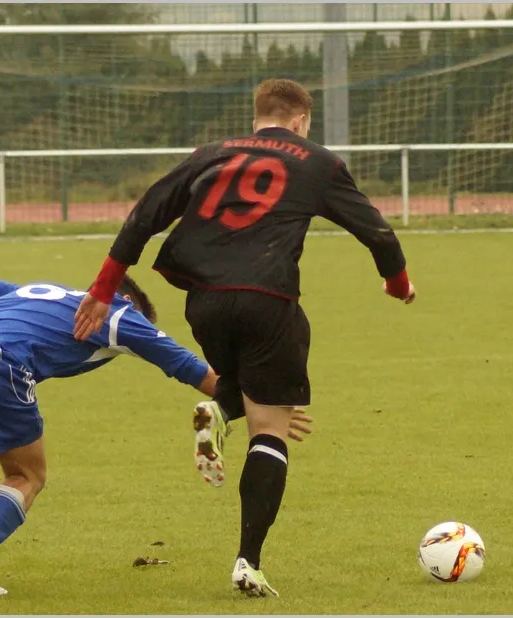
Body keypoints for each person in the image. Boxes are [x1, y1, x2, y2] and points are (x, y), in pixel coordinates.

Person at [73, 77, 416, 596]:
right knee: (271, 428)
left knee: (252, 377)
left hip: (203, 301)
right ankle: (247, 562)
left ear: (257, 117)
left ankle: (221, 408)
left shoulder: (209, 154)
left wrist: (103, 290)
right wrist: (398, 283)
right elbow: (377, 232)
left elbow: (144, 216)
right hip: (266, 299)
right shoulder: (318, 162)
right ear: (301, 121)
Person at [0, 269, 311, 596]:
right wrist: (266, 406)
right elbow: (194, 371)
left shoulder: (38, 291)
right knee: (27, 475)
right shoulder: (122, 315)